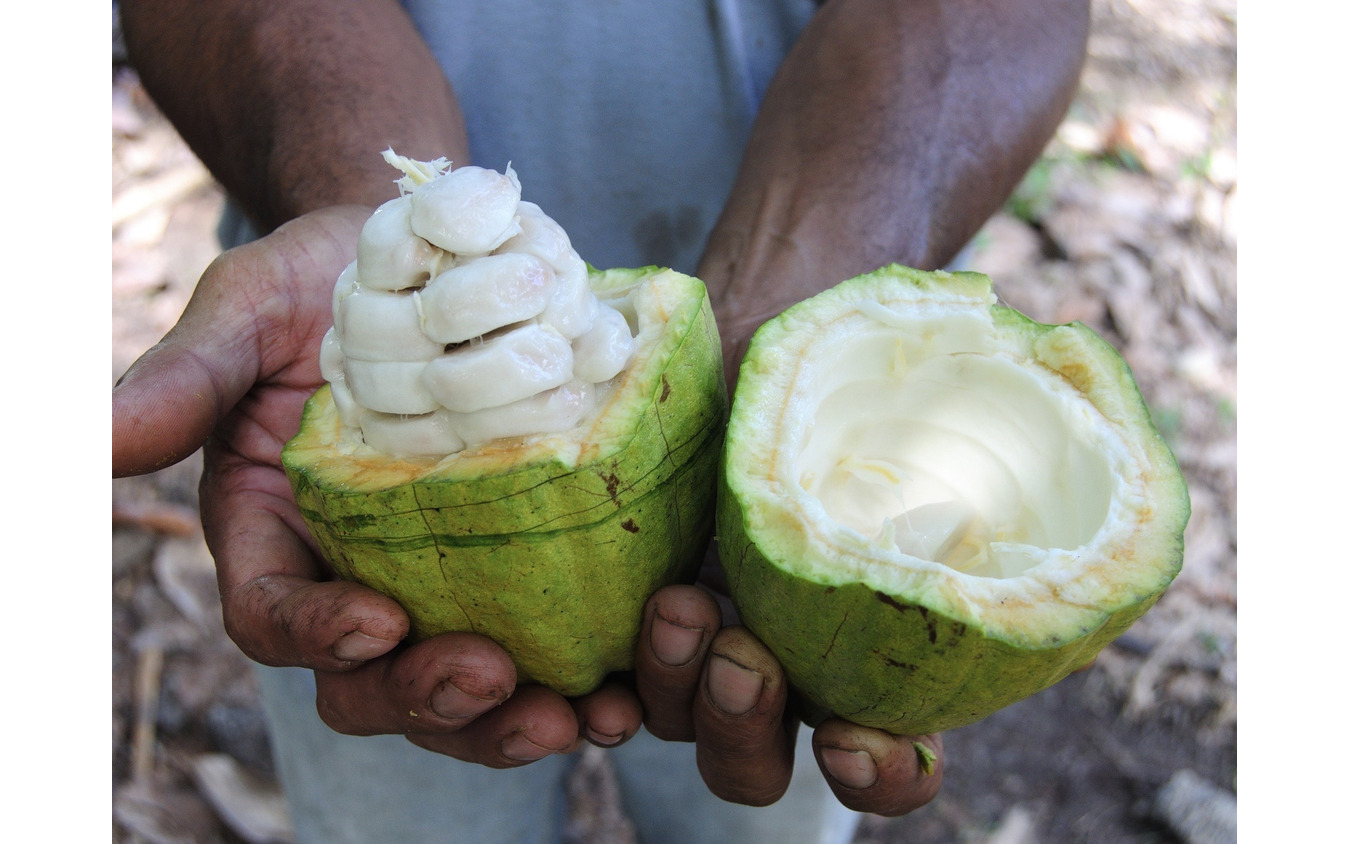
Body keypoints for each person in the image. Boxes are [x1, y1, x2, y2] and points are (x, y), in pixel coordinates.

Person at [112, 1, 1091, 841]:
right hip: (366, 504)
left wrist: (793, 310)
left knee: (757, 785)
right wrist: (357, 200)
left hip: (826, 289)